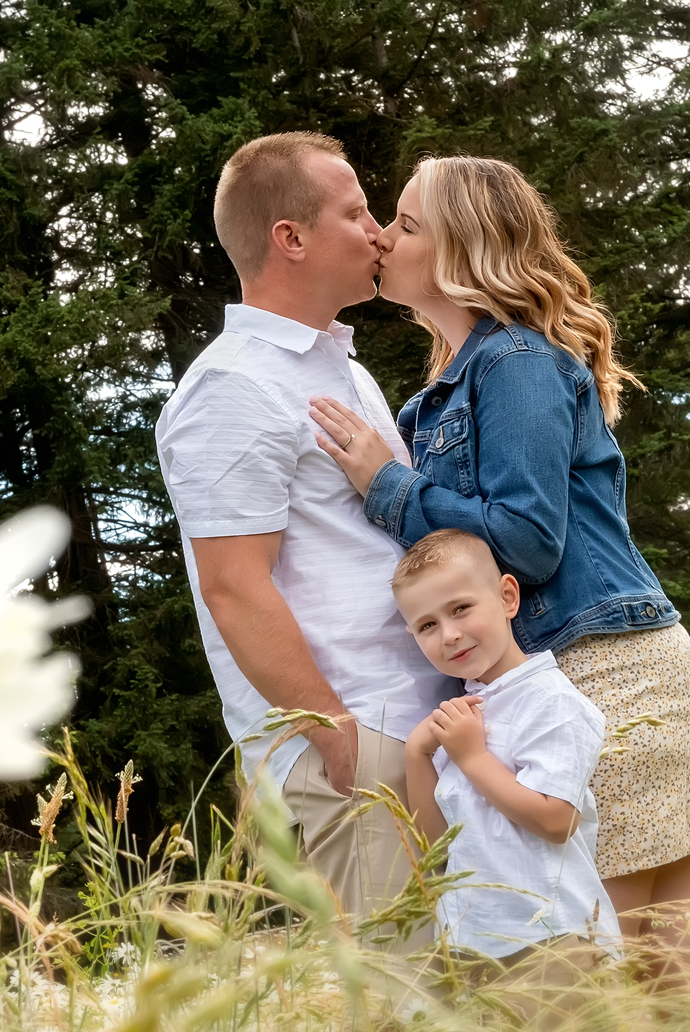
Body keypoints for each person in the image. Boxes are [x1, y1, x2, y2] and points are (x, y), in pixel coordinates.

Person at [308, 156, 690, 980]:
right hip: (592, 667)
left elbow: (527, 540)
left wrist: (387, 485)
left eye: (406, 223)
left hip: (602, 670)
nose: (383, 236)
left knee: (585, 965)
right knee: (678, 969)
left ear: (462, 250)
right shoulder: (439, 394)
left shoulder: (512, 360)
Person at [154, 132, 453, 950]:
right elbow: (232, 586)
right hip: (358, 732)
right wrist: (334, 732)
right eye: (356, 213)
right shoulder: (232, 387)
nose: (378, 233)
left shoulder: (343, 370)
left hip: (419, 712)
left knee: (484, 978)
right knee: (412, 988)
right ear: (290, 237)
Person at [394, 528, 620, 972]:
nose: (449, 635)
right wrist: (417, 755)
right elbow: (438, 845)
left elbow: (556, 820)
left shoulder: (550, 701)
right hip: (471, 942)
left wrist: (473, 759)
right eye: (427, 625)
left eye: (460, 608)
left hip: (554, 937)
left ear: (507, 597)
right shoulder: (463, 712)